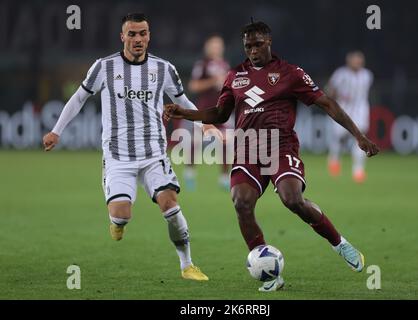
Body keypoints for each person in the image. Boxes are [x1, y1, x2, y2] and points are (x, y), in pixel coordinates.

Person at [164, 21, 379, 291]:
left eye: (257, 45)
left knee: (293, 200)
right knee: (241, 203)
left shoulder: (291, 73)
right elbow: (219, 114)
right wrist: (186, 113)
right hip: (247, 149)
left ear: (269, 42)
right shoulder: (235, 76)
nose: (252, 51)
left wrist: (359, 136)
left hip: (281, 147)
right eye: (247, 46)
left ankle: (340, 243)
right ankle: (269, 273)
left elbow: (327, 104)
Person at [42, 13, 220, 281]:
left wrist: (204, 123)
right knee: (122, 215)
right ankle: (117, 223)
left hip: (153, 154)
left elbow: (182, 99)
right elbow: (78, 98)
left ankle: (187, 265)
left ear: (149, 36)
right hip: (118, 156)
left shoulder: (164, 69)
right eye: (132, 34)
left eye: (143, 33)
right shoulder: (104, 67)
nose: (138, 39)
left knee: (170, 206)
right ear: (122, 37)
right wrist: (56, 131)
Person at [184, 35, 231, 190]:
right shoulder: (202, 65)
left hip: (221, 110)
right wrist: (213, 81)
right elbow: (193, 86)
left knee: (226, 142)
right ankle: (189, 174)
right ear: (207, 47)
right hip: (205, 109)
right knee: (196, 142)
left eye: (219, 45)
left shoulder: (225, 65)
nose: (216, 48)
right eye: (213, 45)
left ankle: (224, 178)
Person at [326, 51, 374, 183]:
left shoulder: (367, 75)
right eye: (355, 60)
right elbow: (330, 88)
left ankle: (358, 170)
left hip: (360, 111)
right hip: (343, 110)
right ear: (349, 61)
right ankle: (334, 160)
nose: (358, 63)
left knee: (360, 138)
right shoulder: (340, 74)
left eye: (360, 60)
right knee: (339, 137)